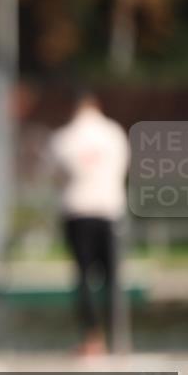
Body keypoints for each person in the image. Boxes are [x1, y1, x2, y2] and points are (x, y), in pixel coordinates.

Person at [48, 92, 130, 356]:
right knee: (113, 277)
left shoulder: (64, 138)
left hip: (77, 210)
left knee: (84, 276)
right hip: (109, 209)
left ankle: (93, 338)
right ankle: (119, 338)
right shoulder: (114, 133)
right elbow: (123, 167)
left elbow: (55, 176)